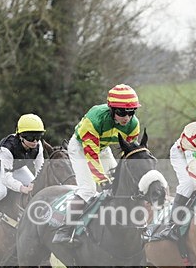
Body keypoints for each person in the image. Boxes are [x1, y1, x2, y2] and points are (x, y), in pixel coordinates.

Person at [54, 84, 141, 244]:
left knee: (119, 184)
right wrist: (102, 180)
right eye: (122, 112)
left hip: (102, 147)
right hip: (81, 148)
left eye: (131, 112)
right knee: (88, 189)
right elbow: (91, 155)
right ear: (112, 110)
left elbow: (129, 155)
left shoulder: (133, 125)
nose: (127, 118)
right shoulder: (95, 119)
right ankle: (64, 229)